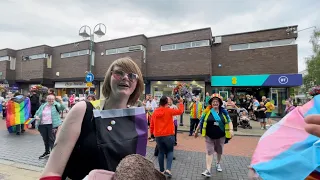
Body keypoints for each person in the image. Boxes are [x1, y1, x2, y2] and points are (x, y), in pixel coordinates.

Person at [40, 57, 145, 180]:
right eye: (119, 73)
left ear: (137, 84)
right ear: (109, 78)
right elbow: (52, 171)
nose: (126, 77)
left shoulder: (137, 121)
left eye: (132, 75)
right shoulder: (84, 110)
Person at [194, 93, 234, 177]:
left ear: (219, 102)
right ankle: (208, 170)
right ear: (211, 103)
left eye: (217, 101)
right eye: (213, 101)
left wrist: (231, 130)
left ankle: (218, 163)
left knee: (219, 151)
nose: (215, 103)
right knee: (209, 152)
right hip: (209, 136)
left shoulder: (224, 112)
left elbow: (229, 121)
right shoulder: (207, 111)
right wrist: (196, 131)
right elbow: (201, 122)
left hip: (221, 136)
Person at [150, 95, 184, 178]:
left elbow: (152, 124)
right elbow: (180, 111)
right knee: (170, 151)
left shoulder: (155, 112)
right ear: (166, 103)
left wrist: (152, 134)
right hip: (169, 135)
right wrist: (181, 102)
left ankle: (161, 170)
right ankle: (168, 169)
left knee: (161, 152)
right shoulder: (169, 111)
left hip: (158, 136)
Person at [35, 94, 65, 159]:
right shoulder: (43, 105)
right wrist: (36, 117)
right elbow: (37, 113)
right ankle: (47, 152)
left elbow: (62, 107)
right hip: (42, 124)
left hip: (52, 125)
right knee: (45, 139)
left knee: (51, 139)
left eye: (52, 99)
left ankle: (54, 154)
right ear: (46, 99)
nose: (50, 100)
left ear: (54, 99)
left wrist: (60, 101)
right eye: (49, 99)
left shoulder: (56, 105)